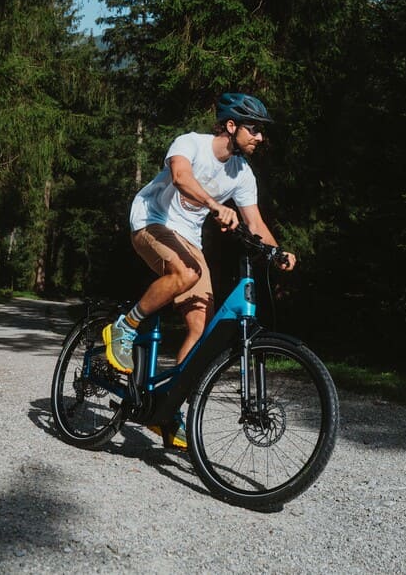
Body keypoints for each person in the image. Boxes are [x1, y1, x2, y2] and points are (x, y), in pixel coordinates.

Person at [103, 92, 296, 448]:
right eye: (253, 130)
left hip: (189, 239)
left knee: (199, 326)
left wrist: (277, 252)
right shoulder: (190, 143)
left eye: (261, 132)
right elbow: (180, 178)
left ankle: (166, 410)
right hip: (151, 221)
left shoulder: (242, 174)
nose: (259, 137)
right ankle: (124, 327)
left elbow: (255, 223)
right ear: (231, 126)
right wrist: (213, 206)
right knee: (187, 273)